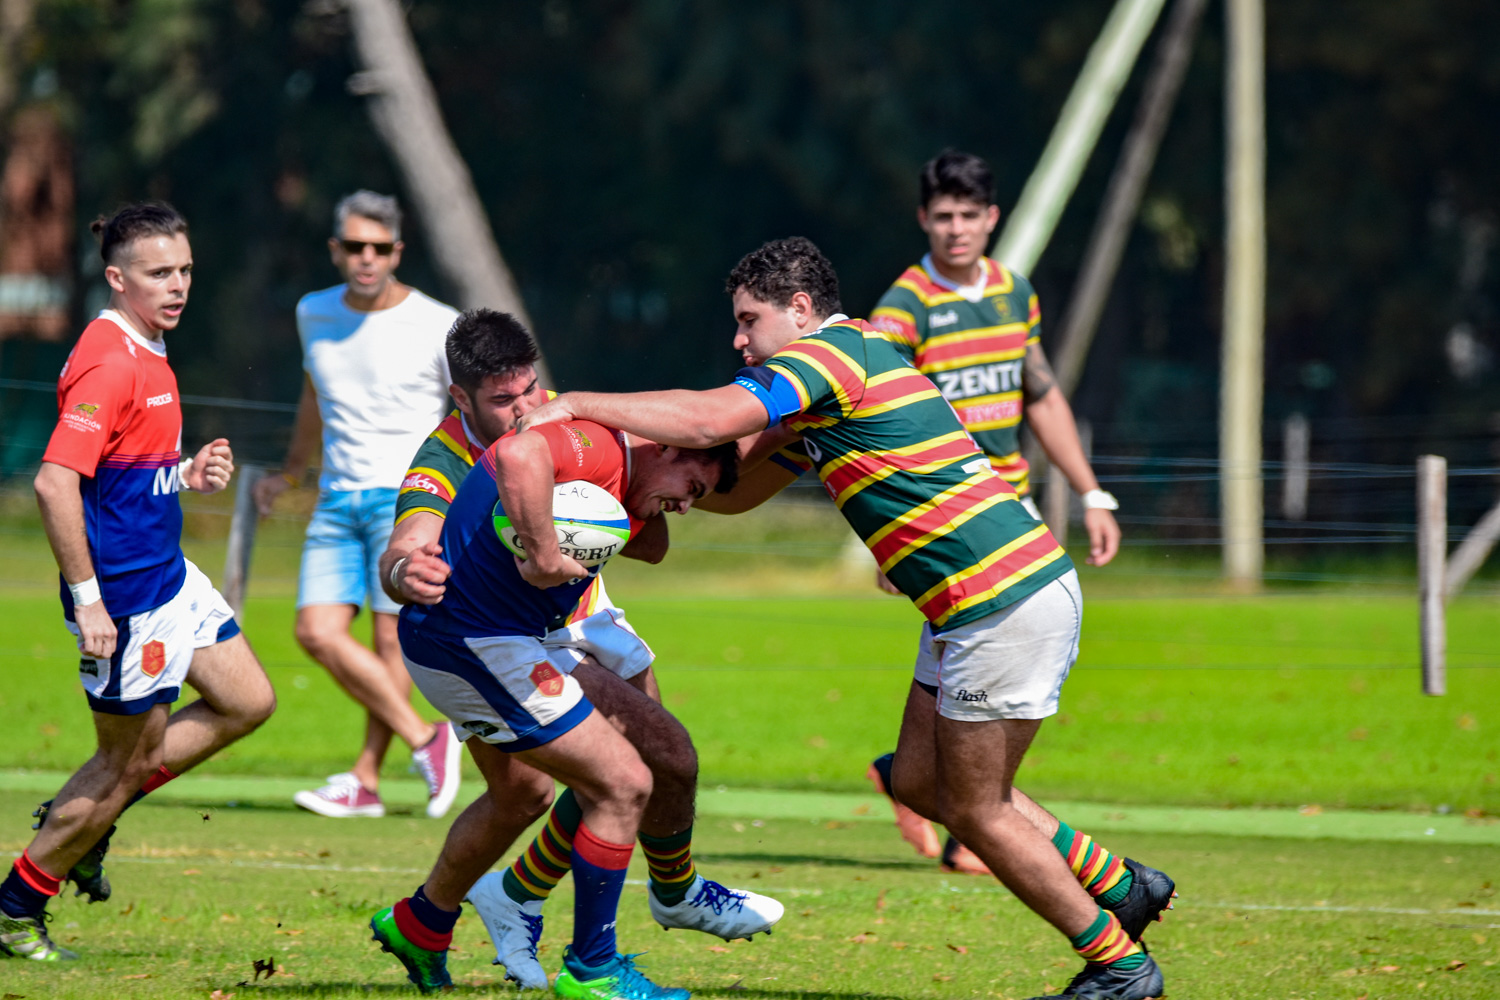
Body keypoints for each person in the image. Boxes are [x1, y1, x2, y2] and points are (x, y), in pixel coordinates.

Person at [518, 237, 1175, 1000]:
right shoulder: (836, 379)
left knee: (975, 806)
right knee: (924, 781)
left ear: (799, 309)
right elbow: (732, 486)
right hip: (969, 604)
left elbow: (707, 418)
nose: (738, 340)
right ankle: (1120, 883)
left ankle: (1120, 967)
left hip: (1001, 598)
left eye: (747, 320)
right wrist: (646, 484)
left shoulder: (831, 357)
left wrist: (578, 404)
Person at [376, 309, 782, 992]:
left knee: (663, 752)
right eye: (502, 399)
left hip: (533, 629)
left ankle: (424, 923)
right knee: (613, 784)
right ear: (464, 398)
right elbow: (465, 497)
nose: (522, 410)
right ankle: (594, 963)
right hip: (472, 639)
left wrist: (649, 499)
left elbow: (647, 537)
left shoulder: (594, 442)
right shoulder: (485, 450)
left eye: (528, 391)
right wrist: (531, 555)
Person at [1, 203, 276, 961]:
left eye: (185, 270)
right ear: (118, 279)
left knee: (249, 700)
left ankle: (91, 817)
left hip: (167, 576)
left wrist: (185, 475)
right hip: (123, 598)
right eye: (160, 274)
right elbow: (56, 483)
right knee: (120, 763)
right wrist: (89, 602)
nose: (179, 285)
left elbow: (118, 478)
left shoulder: (146, 342)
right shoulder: (111, 360)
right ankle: (17, 907)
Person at [866, 149, 1124, 875]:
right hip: (944, 521)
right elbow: (874, 424)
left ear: (992, 218)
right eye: (941, 216)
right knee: (973, 667)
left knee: (995, 671)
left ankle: (924, 786)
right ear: (923, 219)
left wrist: (1090, 490)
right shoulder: (903, 308)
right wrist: (892, 542)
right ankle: (962, 815)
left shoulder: (1015, 292)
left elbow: (1038, 394)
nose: (955, 229)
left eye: (968, 216)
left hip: (1012, 513)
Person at [253, 190, 460, 819]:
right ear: (335, 250)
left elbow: (464, 413)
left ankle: (365, 780)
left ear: (397, 251)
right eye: (353, 247)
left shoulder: (439, 321)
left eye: (378, 248)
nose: (365, 259)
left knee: (391, 643)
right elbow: (314, 394)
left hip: (409, 502)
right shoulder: (312, 312)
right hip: (336, 498)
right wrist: (291, 473)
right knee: (316, 631)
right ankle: (428, 737)